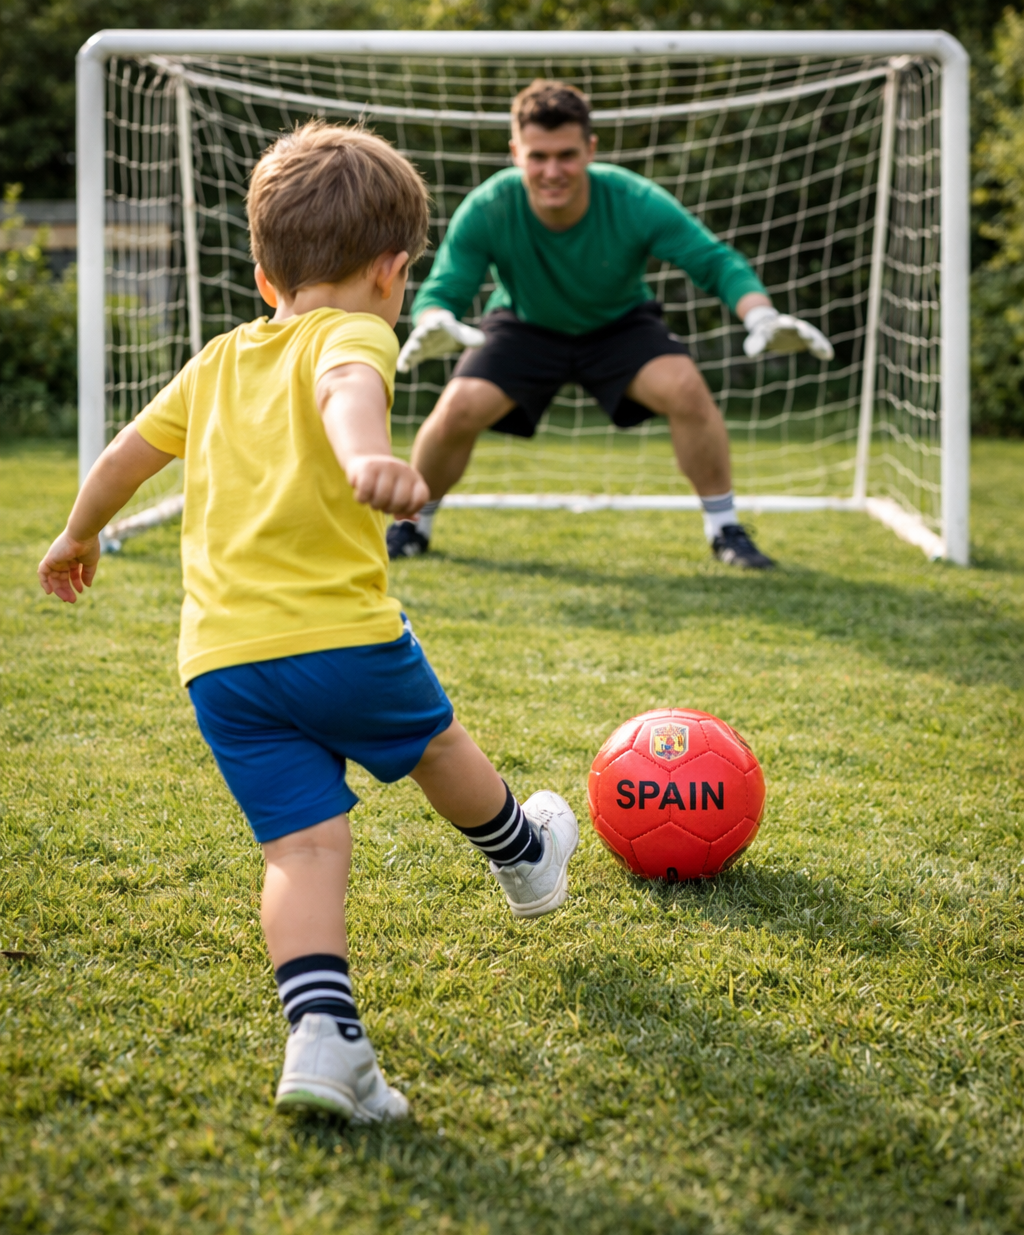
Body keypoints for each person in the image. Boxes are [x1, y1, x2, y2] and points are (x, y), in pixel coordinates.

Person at [37, 122, 578, 1125]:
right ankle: (522, 853)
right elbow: (345, 389)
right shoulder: (357, 331)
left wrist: (77, 533)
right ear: (392, 270)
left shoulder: (216, 359)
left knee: (300, 853)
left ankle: (324, 1039)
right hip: (340, 638)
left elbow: (122, 455)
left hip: (222, 665)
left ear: (261, 275)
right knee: (432, 742)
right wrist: (368, 455)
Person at [388, 79, 834, 570]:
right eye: (538, 156)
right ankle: (410, 526)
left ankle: (725, 528)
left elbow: (714, 261)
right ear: (516, 152)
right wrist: (434, 320)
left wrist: (762, 316)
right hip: (526, 323)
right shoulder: (491, 205)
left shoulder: (632, 198)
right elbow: (446, 286)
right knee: (458, 406)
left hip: (619, 324)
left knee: (687, 389)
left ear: (591, 149)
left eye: (567, 155)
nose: (552, 171)